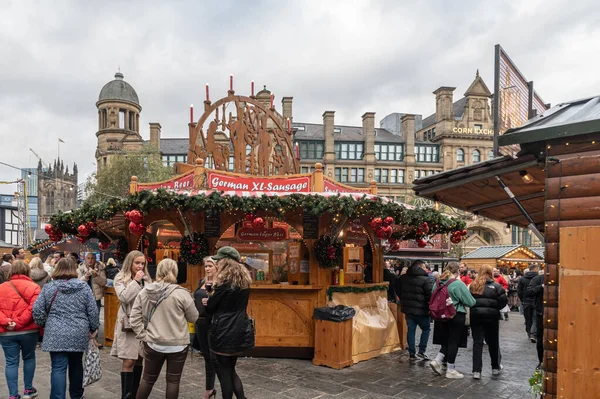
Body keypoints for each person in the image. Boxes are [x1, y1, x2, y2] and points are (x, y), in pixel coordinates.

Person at [130, 258, 198, 398]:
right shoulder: (182, 293)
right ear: (175, 271)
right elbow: (193, 317)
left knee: (147, 380)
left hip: (153, 342)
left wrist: (143, 335)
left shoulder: (144, 292)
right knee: (173, 381)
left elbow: (134, 319)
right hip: (177, 344)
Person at [32, 258, 99, 399]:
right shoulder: (83, 287)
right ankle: (76, 395)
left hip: (55, 332)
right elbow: (92, 310)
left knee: (58, 367)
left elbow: (37, 310)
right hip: (78, 332)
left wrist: (45, 324)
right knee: (76, 365)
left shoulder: (49, 287)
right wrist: (93, 327)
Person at [204, 247, 254, 399]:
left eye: (218, 260)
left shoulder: (224, 282)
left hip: (224, 330)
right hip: (240, 328)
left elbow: (211, 307)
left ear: (225, 261)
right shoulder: (244, 280)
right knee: (231, 369)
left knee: (225, 372)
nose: (217, 262)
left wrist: (209, 298)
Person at [111, 250, 151, 399]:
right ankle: (126, 396)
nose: (140, 266)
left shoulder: (147, 279)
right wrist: (135, 281)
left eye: (142, 263)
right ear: (130, 263)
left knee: (140, 359)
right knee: (129, 360)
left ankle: (134, 395)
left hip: (143, 324)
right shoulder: (120, 278)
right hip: (128, 325)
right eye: (137, 263)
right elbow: (124, 297)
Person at [0, 260, 41, 399]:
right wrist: (18, 323)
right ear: (27, 271)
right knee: (29, 358)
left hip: (6, 331)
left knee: (11, 362)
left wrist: (7, 322)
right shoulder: (34, 287)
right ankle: (28, 390)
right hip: (28, 330)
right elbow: (33, 309)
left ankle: (13, 395)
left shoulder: (1, 287)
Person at [429, 262, 476, 379]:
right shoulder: (458, 284)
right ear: (458, 272)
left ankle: (438, 360)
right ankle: (450, 369)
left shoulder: (437, 283)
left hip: (441, 316)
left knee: (446, 340)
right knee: (454, 342)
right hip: (455, 315)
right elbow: (471, 302)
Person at [468, 265, 508, 379]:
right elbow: (503, 301)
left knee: (477, 342)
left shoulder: (473, 285)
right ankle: (495, 367)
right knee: (493, 342)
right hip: (492, 317)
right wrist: (495, 308)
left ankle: (476, 370)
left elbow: (468, 299)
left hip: (476, 316)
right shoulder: (496, 286)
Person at [395, 260, 433, 361]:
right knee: (426, 329)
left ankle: (412, 353)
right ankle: (421, 351)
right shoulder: (425, 279)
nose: (425, 269)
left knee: (410, 330)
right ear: (420, 267)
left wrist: (403, 299)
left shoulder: (403, 278)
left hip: (408, 309)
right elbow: (430, 294)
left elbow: (397, 289)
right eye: (424, 267)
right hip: (422, 310)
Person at [194, 256, 220, 399]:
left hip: (213, 324)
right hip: (200, 324)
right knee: (206, 358)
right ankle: (209, 389)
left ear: (217, 267)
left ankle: (223, 386)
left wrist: (210, 301)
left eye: (210, 265)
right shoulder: (202, 282)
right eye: (206, 266)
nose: (208, 268)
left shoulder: (220, 284)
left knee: (214, 358)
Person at [78, 253, 107, 348]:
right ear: (85, 259)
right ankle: (84, 339)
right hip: (83, 298)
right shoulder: (80, 269)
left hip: (95, 297)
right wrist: (86, 276)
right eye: (88, 258)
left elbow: (104, 282)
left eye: (92, 258)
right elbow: (77, 283)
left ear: (95, 259)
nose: (90, 260)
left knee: (95, 319)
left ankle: (94, 339)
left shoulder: (100, 268)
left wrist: (96, 276)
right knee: (84, 318)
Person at [526, 272, 544, 369]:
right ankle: (541, 361)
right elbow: (529, 292)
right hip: (540, 312)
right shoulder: (538, 279)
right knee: (540, 339)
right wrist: (541, 287)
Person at [517, 264, 539, 342]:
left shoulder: (522, 279)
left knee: (527, 318)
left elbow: (519, 291)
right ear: (536, 269)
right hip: (536, 300)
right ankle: (533, 334)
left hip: (526, 301)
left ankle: (529, 333)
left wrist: (522, 299)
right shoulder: (538, 278)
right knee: (535, 318)